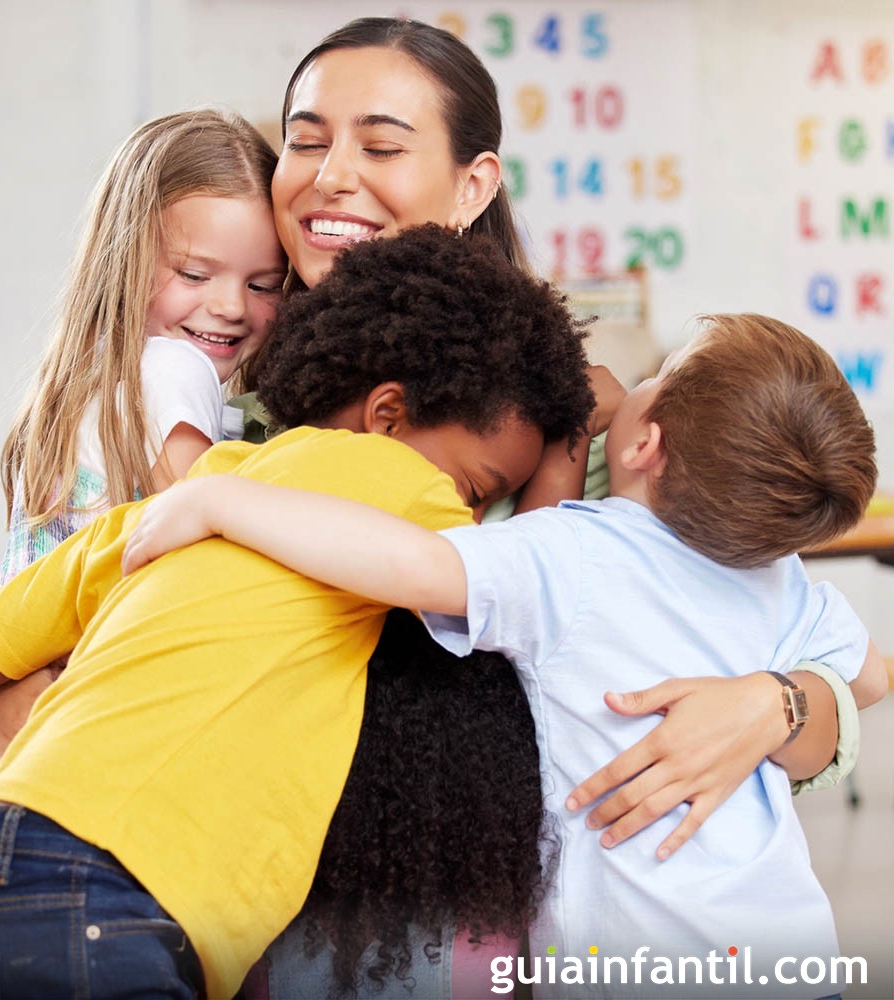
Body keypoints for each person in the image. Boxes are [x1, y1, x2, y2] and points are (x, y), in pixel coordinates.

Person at [0, 225, 595, 1000]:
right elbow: (514, 580)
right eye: (475, 488)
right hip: (114, 899)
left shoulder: (168, 513)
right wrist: (568, 444)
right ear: (388, 413)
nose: (469, 513)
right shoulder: (397, 483)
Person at [122, 312, 887, 998]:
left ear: (647, 440)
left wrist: (219, 499)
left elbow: (408, 561)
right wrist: (770, 693)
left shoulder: (576, 554)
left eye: (657, 375)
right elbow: (871, 674)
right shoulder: (776, 572)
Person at [0, 107, 287, 845]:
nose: (230, 306)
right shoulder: (171, 369)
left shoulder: (83, 386)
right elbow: (212, 530)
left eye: (265, 283)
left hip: (6, 790)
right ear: (125, 258)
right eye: (195, 273)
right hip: (90, 778)